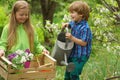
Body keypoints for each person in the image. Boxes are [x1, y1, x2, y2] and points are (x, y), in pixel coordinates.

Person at [62, 1, 92, 80]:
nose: (71, 14)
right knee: (68, 74)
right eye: (70, 12)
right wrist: (66, 25)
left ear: (81, 14)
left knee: (74, 72)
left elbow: (84, 43)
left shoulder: (85, 28)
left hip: (81, 55)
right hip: (73, 54)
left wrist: (72, 38)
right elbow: (70, 24)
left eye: (73, 12)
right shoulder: (74, 22)